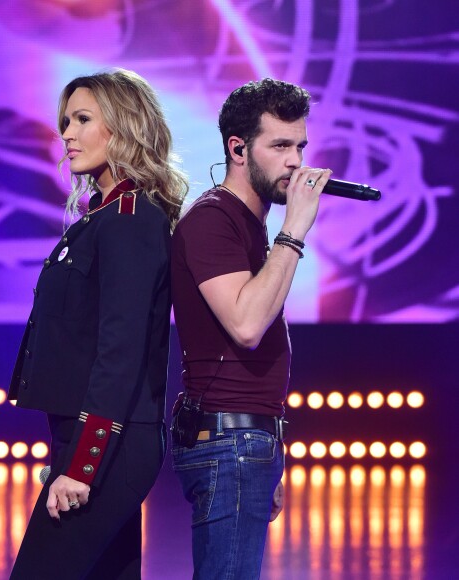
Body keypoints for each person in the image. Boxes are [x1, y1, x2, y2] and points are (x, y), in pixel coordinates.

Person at [8, 68, 187, 579]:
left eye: (83, 119)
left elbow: (121, 350)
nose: (67, 132)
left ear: (125, 127)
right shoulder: (104, 216)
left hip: (110, 445)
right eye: (66, 119)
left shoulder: (130, 218)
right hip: (97, 440)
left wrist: (83, 465)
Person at [170, 78, 332, 579]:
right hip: (228, 444)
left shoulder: (248, 222)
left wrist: (271, 450)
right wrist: (295, 232)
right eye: (280, 146)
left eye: (300, 145)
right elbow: (246, 324)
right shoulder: (212, 220)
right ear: (237, 149)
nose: (295, 162)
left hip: (247, 443)